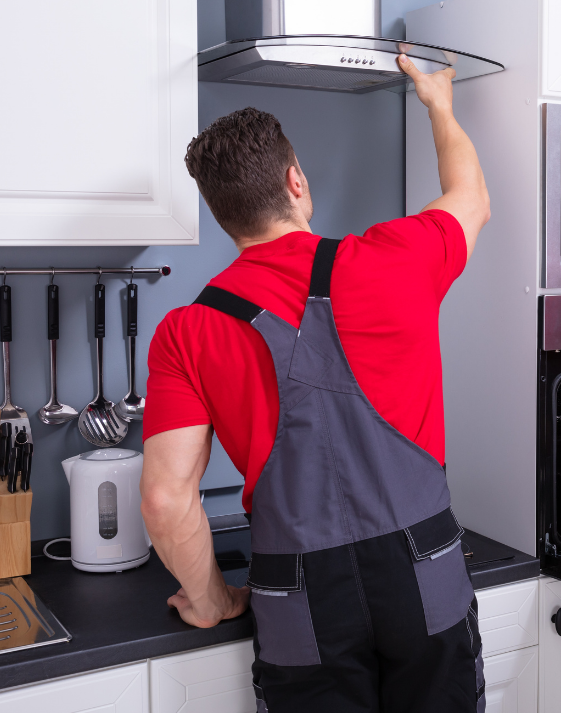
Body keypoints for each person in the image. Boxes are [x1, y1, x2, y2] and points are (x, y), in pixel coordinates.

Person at [140, 55, 490, 713]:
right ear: (296, 181)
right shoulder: (396, 259)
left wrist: (212, 598)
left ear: (221, 216)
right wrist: (438, 103)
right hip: (423, 570)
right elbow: (471, 197)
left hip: (297, 592)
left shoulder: (187, 332)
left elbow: (164, 499)